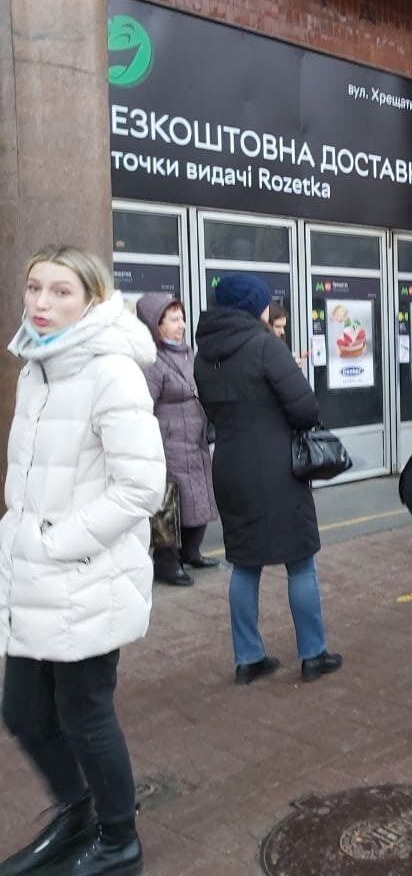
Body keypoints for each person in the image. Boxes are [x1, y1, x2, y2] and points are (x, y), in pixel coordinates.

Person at [0, 246, 165, 876]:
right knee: (21, 710)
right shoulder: (35, 369)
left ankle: (118, 838)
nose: (42, 304)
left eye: (61, 291)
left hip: (84, 575)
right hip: (33, 576)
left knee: (84, 712)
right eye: (34, 288)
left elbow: (141, 488)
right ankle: (79, 813)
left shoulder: (110, 372)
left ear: (93, 300)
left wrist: (54, 542)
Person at [194, 274, 342, 685]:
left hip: (229, 466)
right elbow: (305, 409)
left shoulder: (203, 355)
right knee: (300, 561)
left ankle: (248, 658)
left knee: (244, 564)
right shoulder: (264, 346)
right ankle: (313, 653)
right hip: (276, 467)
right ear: (252, 307)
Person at [135, 293, 219, 587]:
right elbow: (143, 405)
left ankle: (191, 552)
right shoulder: (151, 362)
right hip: (167, 443)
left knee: (199, 496)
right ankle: (166, 563)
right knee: (168, 502)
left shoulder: (187, 353)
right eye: (173, 319)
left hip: (194, 439)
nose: (181, 325)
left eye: (182, 318)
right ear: (154, 325)